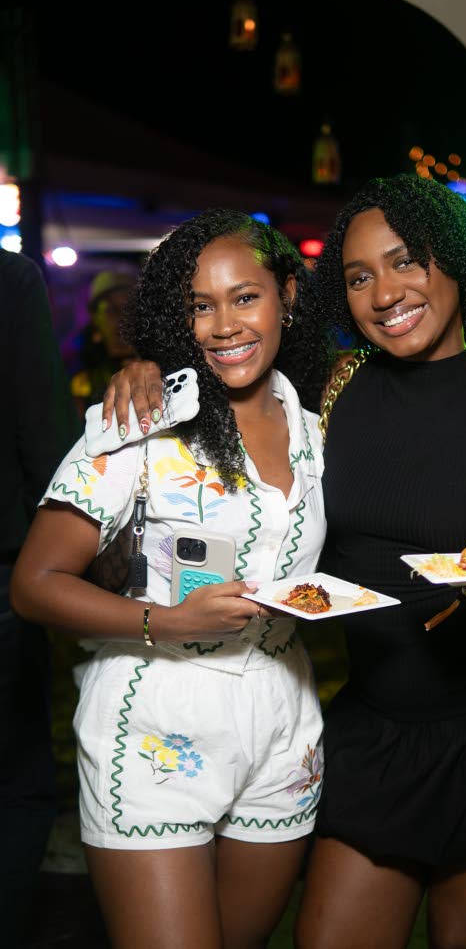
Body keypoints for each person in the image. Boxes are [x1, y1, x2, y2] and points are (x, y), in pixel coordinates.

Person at [98, 176, 466, 949]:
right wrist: (146, 368)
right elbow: (229, 359)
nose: (384, 293)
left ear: (455, 263)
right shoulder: (336, 387)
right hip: (376, 725)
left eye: (406, 262)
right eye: (358, 276)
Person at [11, 209, 330, 949]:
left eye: (244, 297)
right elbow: (35, 583)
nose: (224, 326)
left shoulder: (319, 426)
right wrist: (169, 621)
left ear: (286, 294)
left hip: (285, 722)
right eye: (199, 306)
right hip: (154, 723)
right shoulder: (141, 419)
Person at [0, 249, 80, 948]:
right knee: (17, 776)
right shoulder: (8, 280)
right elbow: (42, 432)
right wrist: (58, 561)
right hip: (2, 566)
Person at [70, 270, 137, 417]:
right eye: (112, 310)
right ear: (95, 317)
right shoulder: (80, 380)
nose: (123, 318)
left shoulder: (163, 366)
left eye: (130, 308)